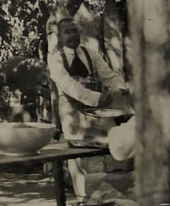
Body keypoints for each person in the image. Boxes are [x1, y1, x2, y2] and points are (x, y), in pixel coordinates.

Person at [47, 17, 131, 147]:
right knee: (115, 139)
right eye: (67, 32)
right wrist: (97, 98)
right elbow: (70, 86)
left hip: (96, 114)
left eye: (75, 31)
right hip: (74, 119)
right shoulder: (56, 60)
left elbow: (109, 76)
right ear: (60, 37)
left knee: (125, 132)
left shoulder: (91, 54)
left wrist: (121, 88)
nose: (73, 35)